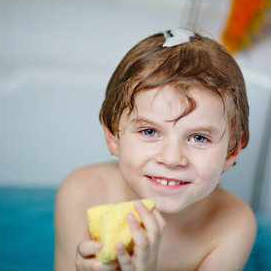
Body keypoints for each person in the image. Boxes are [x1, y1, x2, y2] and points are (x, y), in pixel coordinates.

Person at [54, 28, 256, 271]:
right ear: (112, 137)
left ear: (232, 152)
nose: (171, 159)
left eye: (199, 138)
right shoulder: (82, 194)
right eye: (149, 132)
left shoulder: (232, 225)